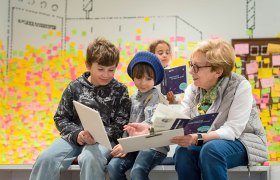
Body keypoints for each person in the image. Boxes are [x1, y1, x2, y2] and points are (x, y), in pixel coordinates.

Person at [29, 37, 131, 180]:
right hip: (74, 138)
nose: (106, 74)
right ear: (88, 65)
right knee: (46, 159)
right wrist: (78, 134)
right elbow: (61, 117)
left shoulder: (120, 90)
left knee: (90, 159)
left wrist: (98, 136)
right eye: (100, 69)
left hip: (104, 141)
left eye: (111, 70)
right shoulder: (74, 87)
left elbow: (121, 124)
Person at [170, 39, 268, 180]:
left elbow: (232, 130)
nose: (191, 71)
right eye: (191, 64)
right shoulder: (193, 88)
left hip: (244, 141)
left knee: (211, 150)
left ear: (217, 71)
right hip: (207, 141)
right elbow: (182, 120)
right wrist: (150, 129)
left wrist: (197, 138)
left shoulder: (240, 86)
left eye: (197, 67)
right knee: (182, 151)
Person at [107, 51, 168, 180]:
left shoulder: (157, 98)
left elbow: (150, 127)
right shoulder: (132, 98)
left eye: (148, 78)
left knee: (137, 171)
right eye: (139, 77)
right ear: (133, 76)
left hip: (154, 146)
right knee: (113, 167)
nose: (143, 83)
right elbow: (126, 125)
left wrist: (128, 145)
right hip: (133, 146)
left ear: (155, 79)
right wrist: (125, 144)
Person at [148, 40, 183, 104]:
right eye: (160, 53)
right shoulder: (149, 74)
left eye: (167, 52)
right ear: (152, 55)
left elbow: (178, 98)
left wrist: (172, 100)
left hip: (168, 110)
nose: (164, 55)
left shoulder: (174, 73)